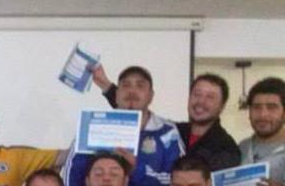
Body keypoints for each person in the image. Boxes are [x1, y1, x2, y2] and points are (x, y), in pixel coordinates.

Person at [68, 65, 184, 186]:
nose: (132, 91)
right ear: (116, 95)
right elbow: (73, 170)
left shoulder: (167, 131)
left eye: (140, 86)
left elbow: (179, 181)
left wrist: (137, 170)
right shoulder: (94, 125)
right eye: (126, 85)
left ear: (150, 96)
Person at [93, 69, 241, 172]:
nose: (201, 102)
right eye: (197, 94)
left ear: (221, 106)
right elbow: (136, 111)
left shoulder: (227, 148)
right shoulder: (173, 130)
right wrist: (105, 85)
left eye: (210, 97)